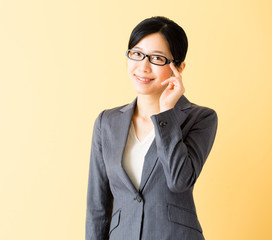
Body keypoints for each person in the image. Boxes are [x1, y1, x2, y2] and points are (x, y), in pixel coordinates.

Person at [85, 16, 218, 240]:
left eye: (156, 58)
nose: (143, 67)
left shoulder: (200, 118)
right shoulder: (106, 123)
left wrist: (165, 113)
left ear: (179, 67)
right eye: (137, 54)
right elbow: (97, 206)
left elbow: (179, 181)